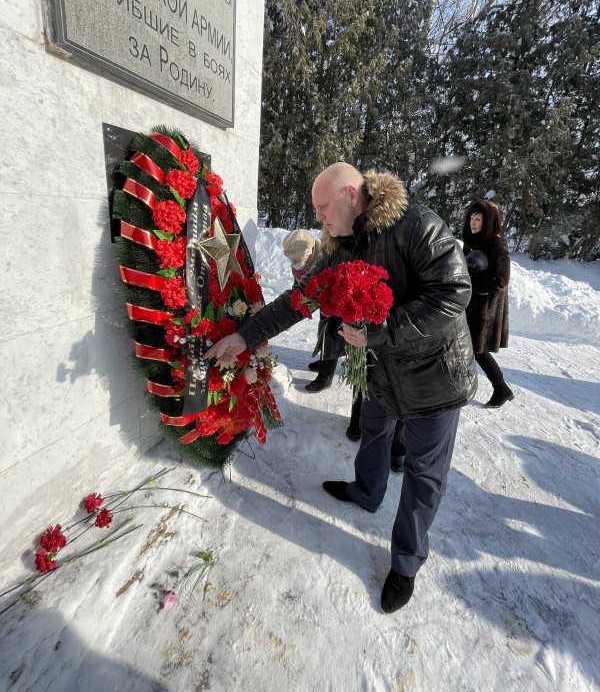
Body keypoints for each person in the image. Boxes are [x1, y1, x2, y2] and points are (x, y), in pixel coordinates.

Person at [205, 163, 477, 614]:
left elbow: (453, 292)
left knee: (424, 475)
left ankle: (406, 564)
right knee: (373, 430)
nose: (319, 219)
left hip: (434, 376)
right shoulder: (340, 250)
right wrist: (244, 337)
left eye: (323, 207)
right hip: (382, 371)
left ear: (352, 194)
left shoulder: (417, 225)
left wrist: (383, 328)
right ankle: (366, 492)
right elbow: (299, 300)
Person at [462, 200, 514, 408]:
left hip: (485, 309)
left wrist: (471, 281)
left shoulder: (496, 245)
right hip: (470, 303)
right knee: (466, 346)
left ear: (489, 221)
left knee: (478, 350)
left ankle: (501, 389)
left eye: (478, 219)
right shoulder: (473, 241)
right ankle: (463, 385)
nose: (473, 223)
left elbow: (500, 280)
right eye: (472, 219)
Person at [281, 229, 338, 393]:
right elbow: (297, 284)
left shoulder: (325, 258)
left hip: (333, 299)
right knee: (322, 330)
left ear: (311, 252)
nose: (294, 263)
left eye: (298, 259)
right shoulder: (298, 262)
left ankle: (325, 377)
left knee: (331, 334)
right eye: (292, 260)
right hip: (319, 298)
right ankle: (323, 360)